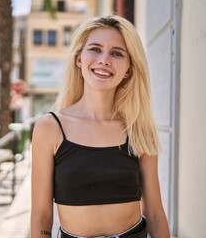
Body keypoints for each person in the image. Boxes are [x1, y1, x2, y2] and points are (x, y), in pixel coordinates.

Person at [31, 15, 170, 238]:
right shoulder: (50, 128)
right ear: (79, 59)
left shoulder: (138, 129)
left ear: (129, 70)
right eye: (95, 49)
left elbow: (154, 214)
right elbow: (41, 216)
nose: (104, 59)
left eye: (117, 53)